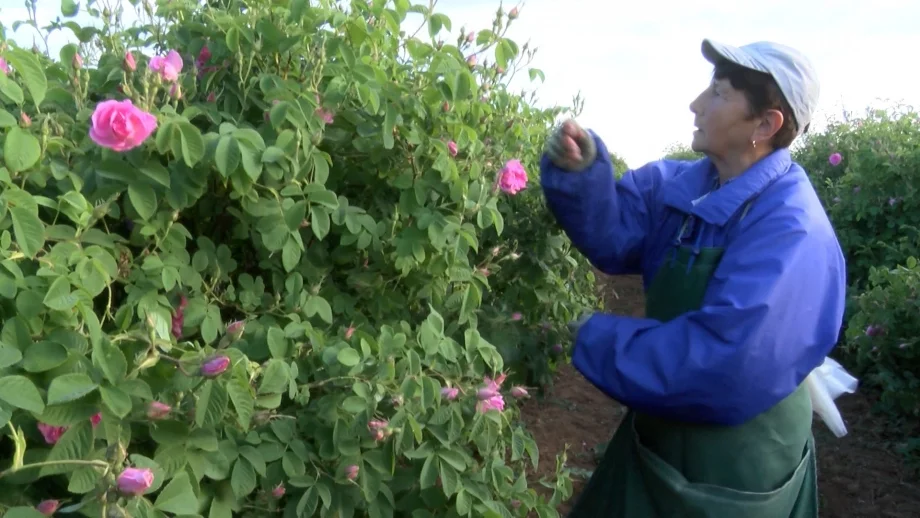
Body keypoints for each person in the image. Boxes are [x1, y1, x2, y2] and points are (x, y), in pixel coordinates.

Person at [540, 39, 847, 517]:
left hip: (736, 468)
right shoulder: (683, 186)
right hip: (663, 430)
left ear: (766, 125)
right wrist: (582, 173)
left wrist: (589, 334)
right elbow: (616, 232)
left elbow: (726, 365)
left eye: (719, 94)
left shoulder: (792, 230)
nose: (696, 104)